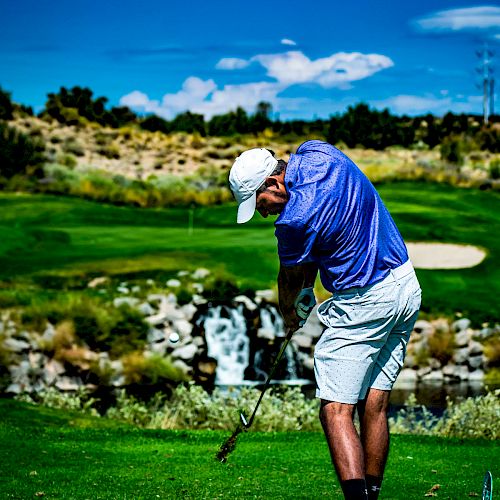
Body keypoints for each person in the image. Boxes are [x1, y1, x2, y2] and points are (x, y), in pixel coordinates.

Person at [228, 141, 421, 500]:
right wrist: (307, 289)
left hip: (365, 303)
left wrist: (291, 314)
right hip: (405, 286)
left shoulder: (291, 222)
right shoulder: (320, 153)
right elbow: (318, 242)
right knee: (373, 402)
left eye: (258, 203)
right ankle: (371, 495)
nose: (261, 213)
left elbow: (290, 279)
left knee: (335, 409)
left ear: (273, 183)